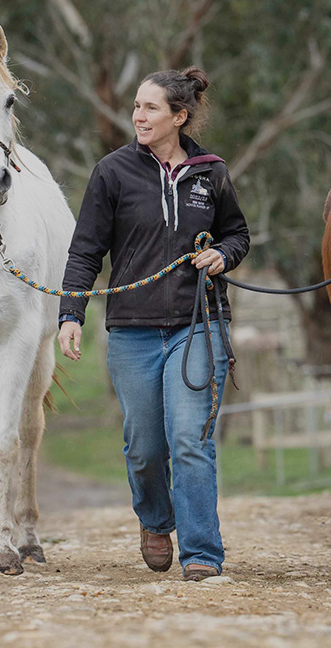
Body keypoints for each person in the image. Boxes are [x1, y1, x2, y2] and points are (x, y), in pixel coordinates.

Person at [57, 67, 249, 581]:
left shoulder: (212, 173)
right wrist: (71, 313)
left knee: (190, 439)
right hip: (132, 330)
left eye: (150, 108)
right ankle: (156, 519)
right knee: (144, 447)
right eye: (136, 106)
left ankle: (202, 554)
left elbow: (236, 234)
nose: (138, 116)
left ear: (179, 117)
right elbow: (86, 251)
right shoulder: (112, 172)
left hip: (198, 323)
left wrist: (222, 258)